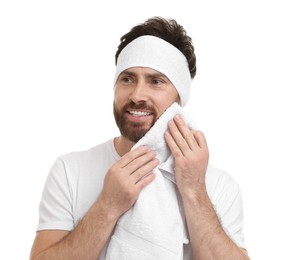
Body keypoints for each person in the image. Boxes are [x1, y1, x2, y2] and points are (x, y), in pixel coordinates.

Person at [30, 16, 250, 259]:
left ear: (179, 99)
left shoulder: (217, 185)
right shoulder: (70, 171)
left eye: (156, 81)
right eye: (127, 79)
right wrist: (108, 206)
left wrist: (194, 189)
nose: (137, 95)